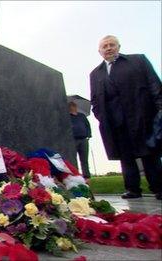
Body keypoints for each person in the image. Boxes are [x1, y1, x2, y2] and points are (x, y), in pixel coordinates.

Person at [90, 35, 162, 200]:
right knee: (126, 156)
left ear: (118, 47)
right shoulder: (95, 73)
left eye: (112, 45)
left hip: (142, 116)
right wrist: (101, 116)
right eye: (105, 46)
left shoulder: (138, 61)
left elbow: (154, 85)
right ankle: (132, 189)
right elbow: (95, 99)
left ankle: (158, 187)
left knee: (149, 153)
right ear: (100, 51)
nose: (108, 48)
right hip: (116, 122)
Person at [69, 101, 92, 180]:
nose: (73, 107)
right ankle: (76, 174)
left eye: (74, 106)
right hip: (73, 140)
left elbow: (87, 125)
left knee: (84, 159)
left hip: (83, 139)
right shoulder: (68, 117)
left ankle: (86, 176)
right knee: (73, 158)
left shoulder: (82, 116)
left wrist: (89, 135)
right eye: (71, 106)